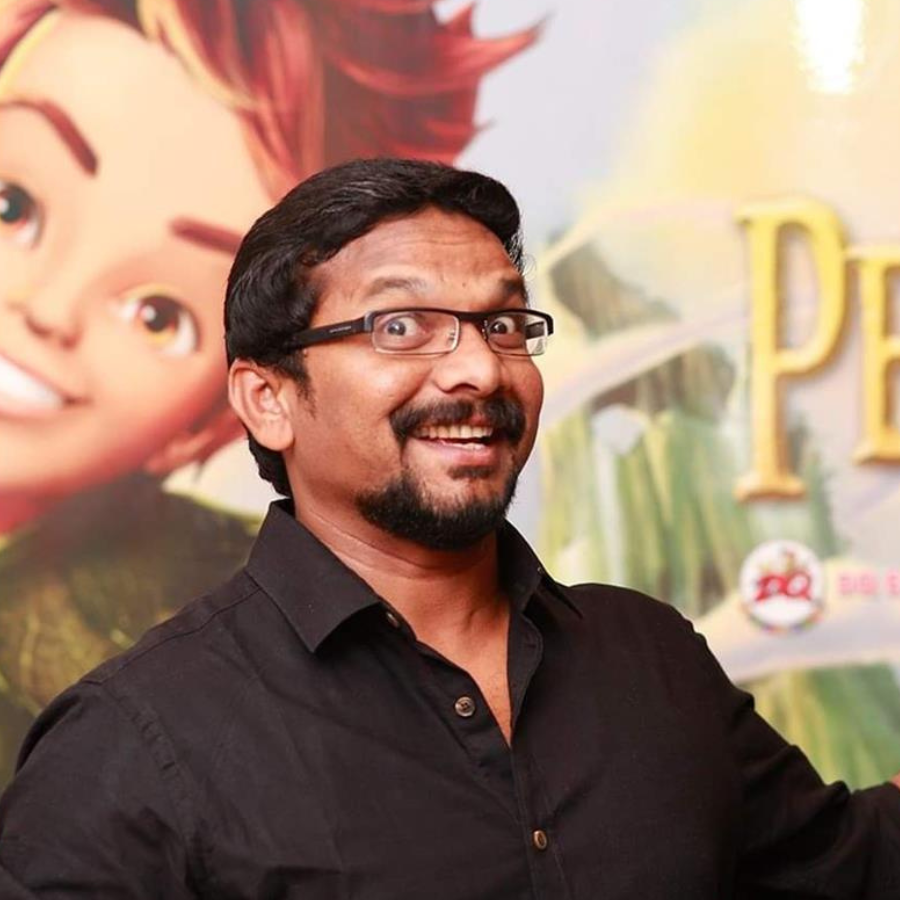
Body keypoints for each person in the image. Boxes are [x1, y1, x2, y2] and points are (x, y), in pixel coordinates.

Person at [3, 157, 899, 898]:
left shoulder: (648, 656)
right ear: (268, 399)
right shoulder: (134, 742)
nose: (480, 368)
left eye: (502, 323)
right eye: (402, 326)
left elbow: (850, 864)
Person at [0, 0, 534, 784]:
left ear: (227, 409)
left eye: (159, 315)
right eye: (11, 205)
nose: (48, 311)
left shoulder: (178, 677)